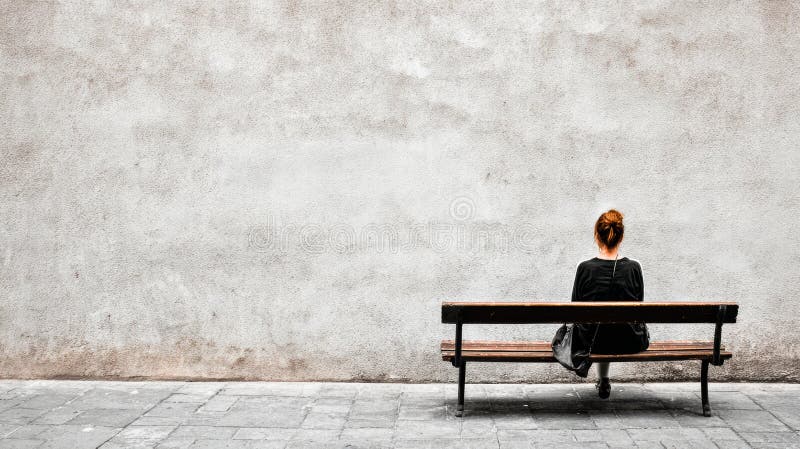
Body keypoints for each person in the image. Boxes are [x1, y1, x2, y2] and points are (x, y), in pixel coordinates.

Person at [571, 209, 649, 399]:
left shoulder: (585, 268)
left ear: (597, 235)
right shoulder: (633, 268)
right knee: (612, 329)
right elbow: (639, 306)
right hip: (629, 341)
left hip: (591, 343)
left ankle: (603, 378)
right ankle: (603, 379)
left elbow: (574, 310)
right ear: (620, 237)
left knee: (597, 329)